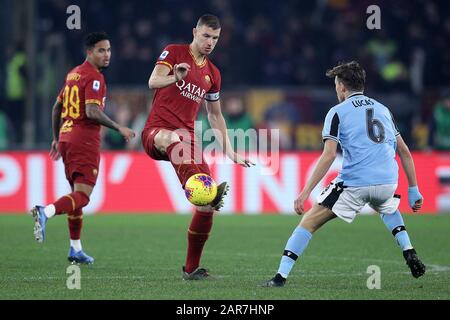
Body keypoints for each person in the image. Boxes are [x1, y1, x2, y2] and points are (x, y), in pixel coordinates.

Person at [264, 61, 426, 287]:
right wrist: (414, 189)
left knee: (308, 222)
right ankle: (408, 250)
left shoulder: (336, 112)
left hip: (355, 183)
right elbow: (405, 151)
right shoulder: (383, 109)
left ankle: (279, 278)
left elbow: (329, 155)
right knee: (387, 206)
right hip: (388, 181)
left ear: (341, 86)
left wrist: (305, 192)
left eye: (335, 84)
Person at [142, 14, 254, 280]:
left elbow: (215, 116)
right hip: (157, 133)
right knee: (173, 140)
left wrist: (229, 150)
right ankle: (193, 187)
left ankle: (191, 268)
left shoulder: (213, 74)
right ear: (195, 32)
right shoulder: (174, 51)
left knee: (208, 205)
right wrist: (174, 77)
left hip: (188, 140)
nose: (210, 42)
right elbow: (152, 82)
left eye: (215, 38)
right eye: (206, 35)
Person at [30, 32, 135, 264]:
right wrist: (120, 127)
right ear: (89, 52)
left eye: (108, 50)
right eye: (101, 50)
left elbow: (57, 107)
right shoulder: (94, 77)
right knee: (84, 197)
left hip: (68, 138)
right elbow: (91, 112)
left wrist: (57, 138)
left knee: (76, 196)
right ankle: (44, 212)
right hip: (83, 140)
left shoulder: (73, 74)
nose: (107, 55)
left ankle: (75, 249)